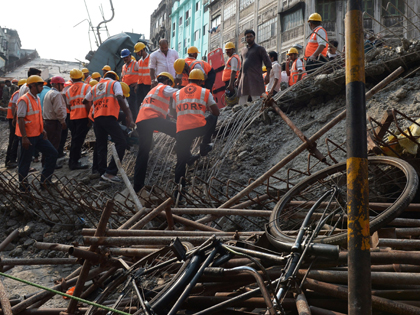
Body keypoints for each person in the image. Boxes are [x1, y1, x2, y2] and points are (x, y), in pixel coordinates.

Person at [173, 69, 220, 195]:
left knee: (180, 163)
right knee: (213, 118)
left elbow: (173, 112)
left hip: (182, 130)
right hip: (199, 127)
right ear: (200, 81)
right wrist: (205, 109)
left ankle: (178, 194)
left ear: (188, 80)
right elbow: (216, 112)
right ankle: (204, 146)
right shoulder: (204, 92)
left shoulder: (177, 93)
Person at [83, 71, 135, 183]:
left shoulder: (96, 86)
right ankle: (110, 173)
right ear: (115, 78)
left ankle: (102, 172)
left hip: (97, 119)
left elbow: (85, 101)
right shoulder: (115, 84)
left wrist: (91, 113)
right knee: (121, 143)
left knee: (101, 145)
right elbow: (120, 98)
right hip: (108, 117)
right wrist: (127, 115)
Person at [133, 72, 178, 193]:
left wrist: (172, 115)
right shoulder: (164, 87)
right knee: (178, 130)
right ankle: (186, 155)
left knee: (143, 153)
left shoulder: (151, 91)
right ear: (168, 81)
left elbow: (165, 110)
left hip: (141, 122)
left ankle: (137, 186)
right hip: (151, 119)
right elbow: (177, 93)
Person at [16, 75, 58, 191]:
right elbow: (20, 118)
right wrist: (24, 137)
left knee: (53, 153)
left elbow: (37, 117)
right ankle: (24, 188)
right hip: (28, 137)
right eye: (40, 85)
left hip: (38, 135)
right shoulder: (24, 100)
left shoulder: (37, 98)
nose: (42, 87)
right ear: (33, 86)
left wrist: (42, 130)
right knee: (25, 163)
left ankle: (45, 181)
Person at [237, 29, 272, 106]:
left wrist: (268, 75)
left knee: (256, 101)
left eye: (251, 36)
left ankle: (258, 116)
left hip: (255, 77)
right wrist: (238, 78)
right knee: (242, 102)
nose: (249, 38)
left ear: (254, 37)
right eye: (247, 37)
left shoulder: (260, 49)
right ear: (245, 38)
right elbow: (242, 66)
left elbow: (268, 63)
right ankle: (241, 117)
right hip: (244, 79)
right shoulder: (243, 50)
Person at [65, 69, 91, 170]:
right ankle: (73, 162)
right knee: (78, 140)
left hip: (73, 117)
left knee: (75, 139)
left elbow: (68, 105)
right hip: (83, 117)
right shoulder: (86, 87)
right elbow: (88, 103)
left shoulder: (68, 90)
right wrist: (89, 117)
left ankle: (74, 159)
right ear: (82, 76)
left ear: (71, 78)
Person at [43, 76, 67, 168]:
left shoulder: (49, 92)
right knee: (53, 144)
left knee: (48, 144)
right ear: (57, 84)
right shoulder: (56, 94)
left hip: (48, 122)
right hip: (54, 123)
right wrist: (62, 121)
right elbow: (59, 109)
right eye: (62, 84)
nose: (63, 86)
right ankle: (50, 164)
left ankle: (45, 162)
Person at [3, 79, 26, 168]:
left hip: (12, 118)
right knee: (14, 139)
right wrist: (15, 119)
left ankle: (10, 160)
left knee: (14, 139)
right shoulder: (18, 94)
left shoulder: (18, 93)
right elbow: (14, 106)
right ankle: (10, 160)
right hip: (13, 118)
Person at [121, 48, 139, 118]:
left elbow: (141, 74)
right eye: (124, 58)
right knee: (126, 106)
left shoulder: (135, 64)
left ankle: (135, 121)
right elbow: (122, 77)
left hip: (132, 88)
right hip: (125, 89)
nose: (125, 59)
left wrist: (137, 83)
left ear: (130, 56)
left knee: (133, 106)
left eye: (126, 57)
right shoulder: (123, 66)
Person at [134, 42, 152, 110]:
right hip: (140, 85)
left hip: (148, 85)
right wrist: (137, 85)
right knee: (139, 102)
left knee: (147, 102)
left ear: (143, 50)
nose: (137, 53)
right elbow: (139, 74)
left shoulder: (151, 58)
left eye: (138, 52)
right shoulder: (139, 61)